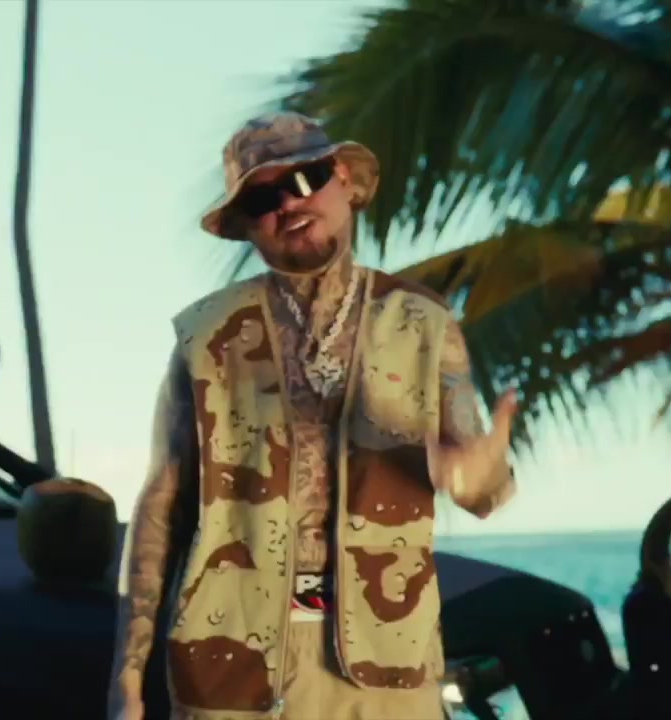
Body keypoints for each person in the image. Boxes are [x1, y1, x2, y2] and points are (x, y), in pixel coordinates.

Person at [108, 112, 519, 720]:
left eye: (304, 179)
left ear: (345, 180)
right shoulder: (206, 335)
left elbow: (482, 489)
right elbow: (161, 508)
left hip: (386, 667)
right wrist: (127, 674)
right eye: (261, 200)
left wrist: (475, 476)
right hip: (231, 665)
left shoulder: (423, 323)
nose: (287, 205)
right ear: (248, 227)